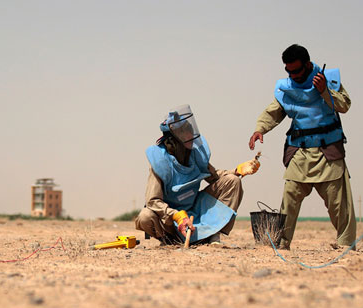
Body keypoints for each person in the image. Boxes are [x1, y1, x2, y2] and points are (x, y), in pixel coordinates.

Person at [249, 44, 356, 249]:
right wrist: (260, 129)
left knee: (339, 204)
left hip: (328, 153)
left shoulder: (329, 79)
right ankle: (281, 243)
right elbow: (273, 112)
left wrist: (324, 90)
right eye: (289, 71)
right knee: (289, 200)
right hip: (299, 152)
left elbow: (344, 105)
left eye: (297, 70)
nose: (293, 75)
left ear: (307, 65)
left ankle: (346, 245)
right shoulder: (286, 87)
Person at [136, 104, 259, 246]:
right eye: (185, 133)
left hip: (195, 209)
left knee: (232, 181)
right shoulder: (160, 162)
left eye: (190, 131)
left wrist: (237, 171)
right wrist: (176, 215)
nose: (191, 136)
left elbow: (214, 176)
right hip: (170, 219)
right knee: (145, 216)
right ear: (173, 139)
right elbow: (153, 201)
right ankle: (169, 240)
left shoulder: (195, 153)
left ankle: (213, 235)